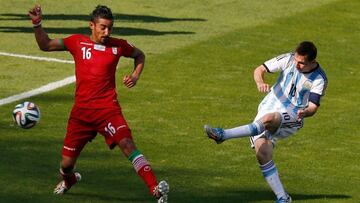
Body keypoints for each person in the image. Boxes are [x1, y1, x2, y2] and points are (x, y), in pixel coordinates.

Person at [28, 5, 169, 202]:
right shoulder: (77, 42)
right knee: (66, 166)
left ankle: (156, 189)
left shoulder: (118, 46)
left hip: (107, 111)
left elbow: (140, 55)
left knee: (128, 144)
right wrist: (37, 23)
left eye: (110, 28)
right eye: (103, 27)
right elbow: (45, 44)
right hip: (81, 115)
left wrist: (136, 76)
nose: (107, 32)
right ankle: (69, 181)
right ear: (91, 25)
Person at [205, 41, 327, 203]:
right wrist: (260, 82)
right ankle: (283, 197)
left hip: (293, 114)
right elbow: (259, 69)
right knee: (262, 152)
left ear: (312, 62)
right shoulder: (288, 59)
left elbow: (313, 107)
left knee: (270, 119)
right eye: (296, 60)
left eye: (301, 63)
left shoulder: (319, 78)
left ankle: (223, 135)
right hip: (269, 105)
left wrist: (305, 112)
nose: (296, 65)